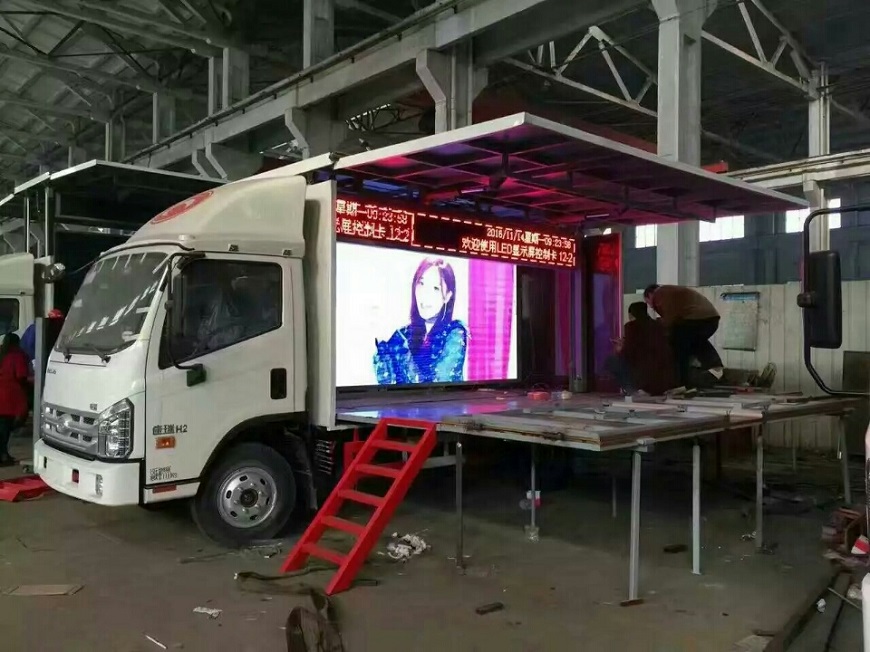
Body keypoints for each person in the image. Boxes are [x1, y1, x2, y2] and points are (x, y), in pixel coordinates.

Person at [374, 258, 468, 385]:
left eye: (436, 288)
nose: (425, 295)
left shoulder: (455, 333)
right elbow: (387, 383)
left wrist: (402, 349)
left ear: (447, 296)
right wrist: (382, 346)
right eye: (421, 284)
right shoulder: (404, 334)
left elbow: (438, 385)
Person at [644, 284, 723, 388]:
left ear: (650, 295)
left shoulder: (659, 294)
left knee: (678, 346)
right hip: (711, 318)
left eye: (648, 302)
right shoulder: (671, 291)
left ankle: (681, 381)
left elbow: (670, 318)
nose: (650, 306)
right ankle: (715, 366)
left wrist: (661, 333)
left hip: (696, 318)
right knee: (694, 340)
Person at [605, 302, 678, 395]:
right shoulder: (657, 325)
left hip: (643, 378)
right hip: (662, 380)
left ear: (631, 314)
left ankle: (633, 390)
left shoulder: (631, 326)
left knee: (611, 361)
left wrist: (619, 349)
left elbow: (629, 353)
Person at [0, 333, 30, 466]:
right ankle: (2, 456)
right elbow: (21, 375)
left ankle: (4, 454)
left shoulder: (1, 353)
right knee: (5, 429)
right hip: (9, 396)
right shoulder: (17, 355)